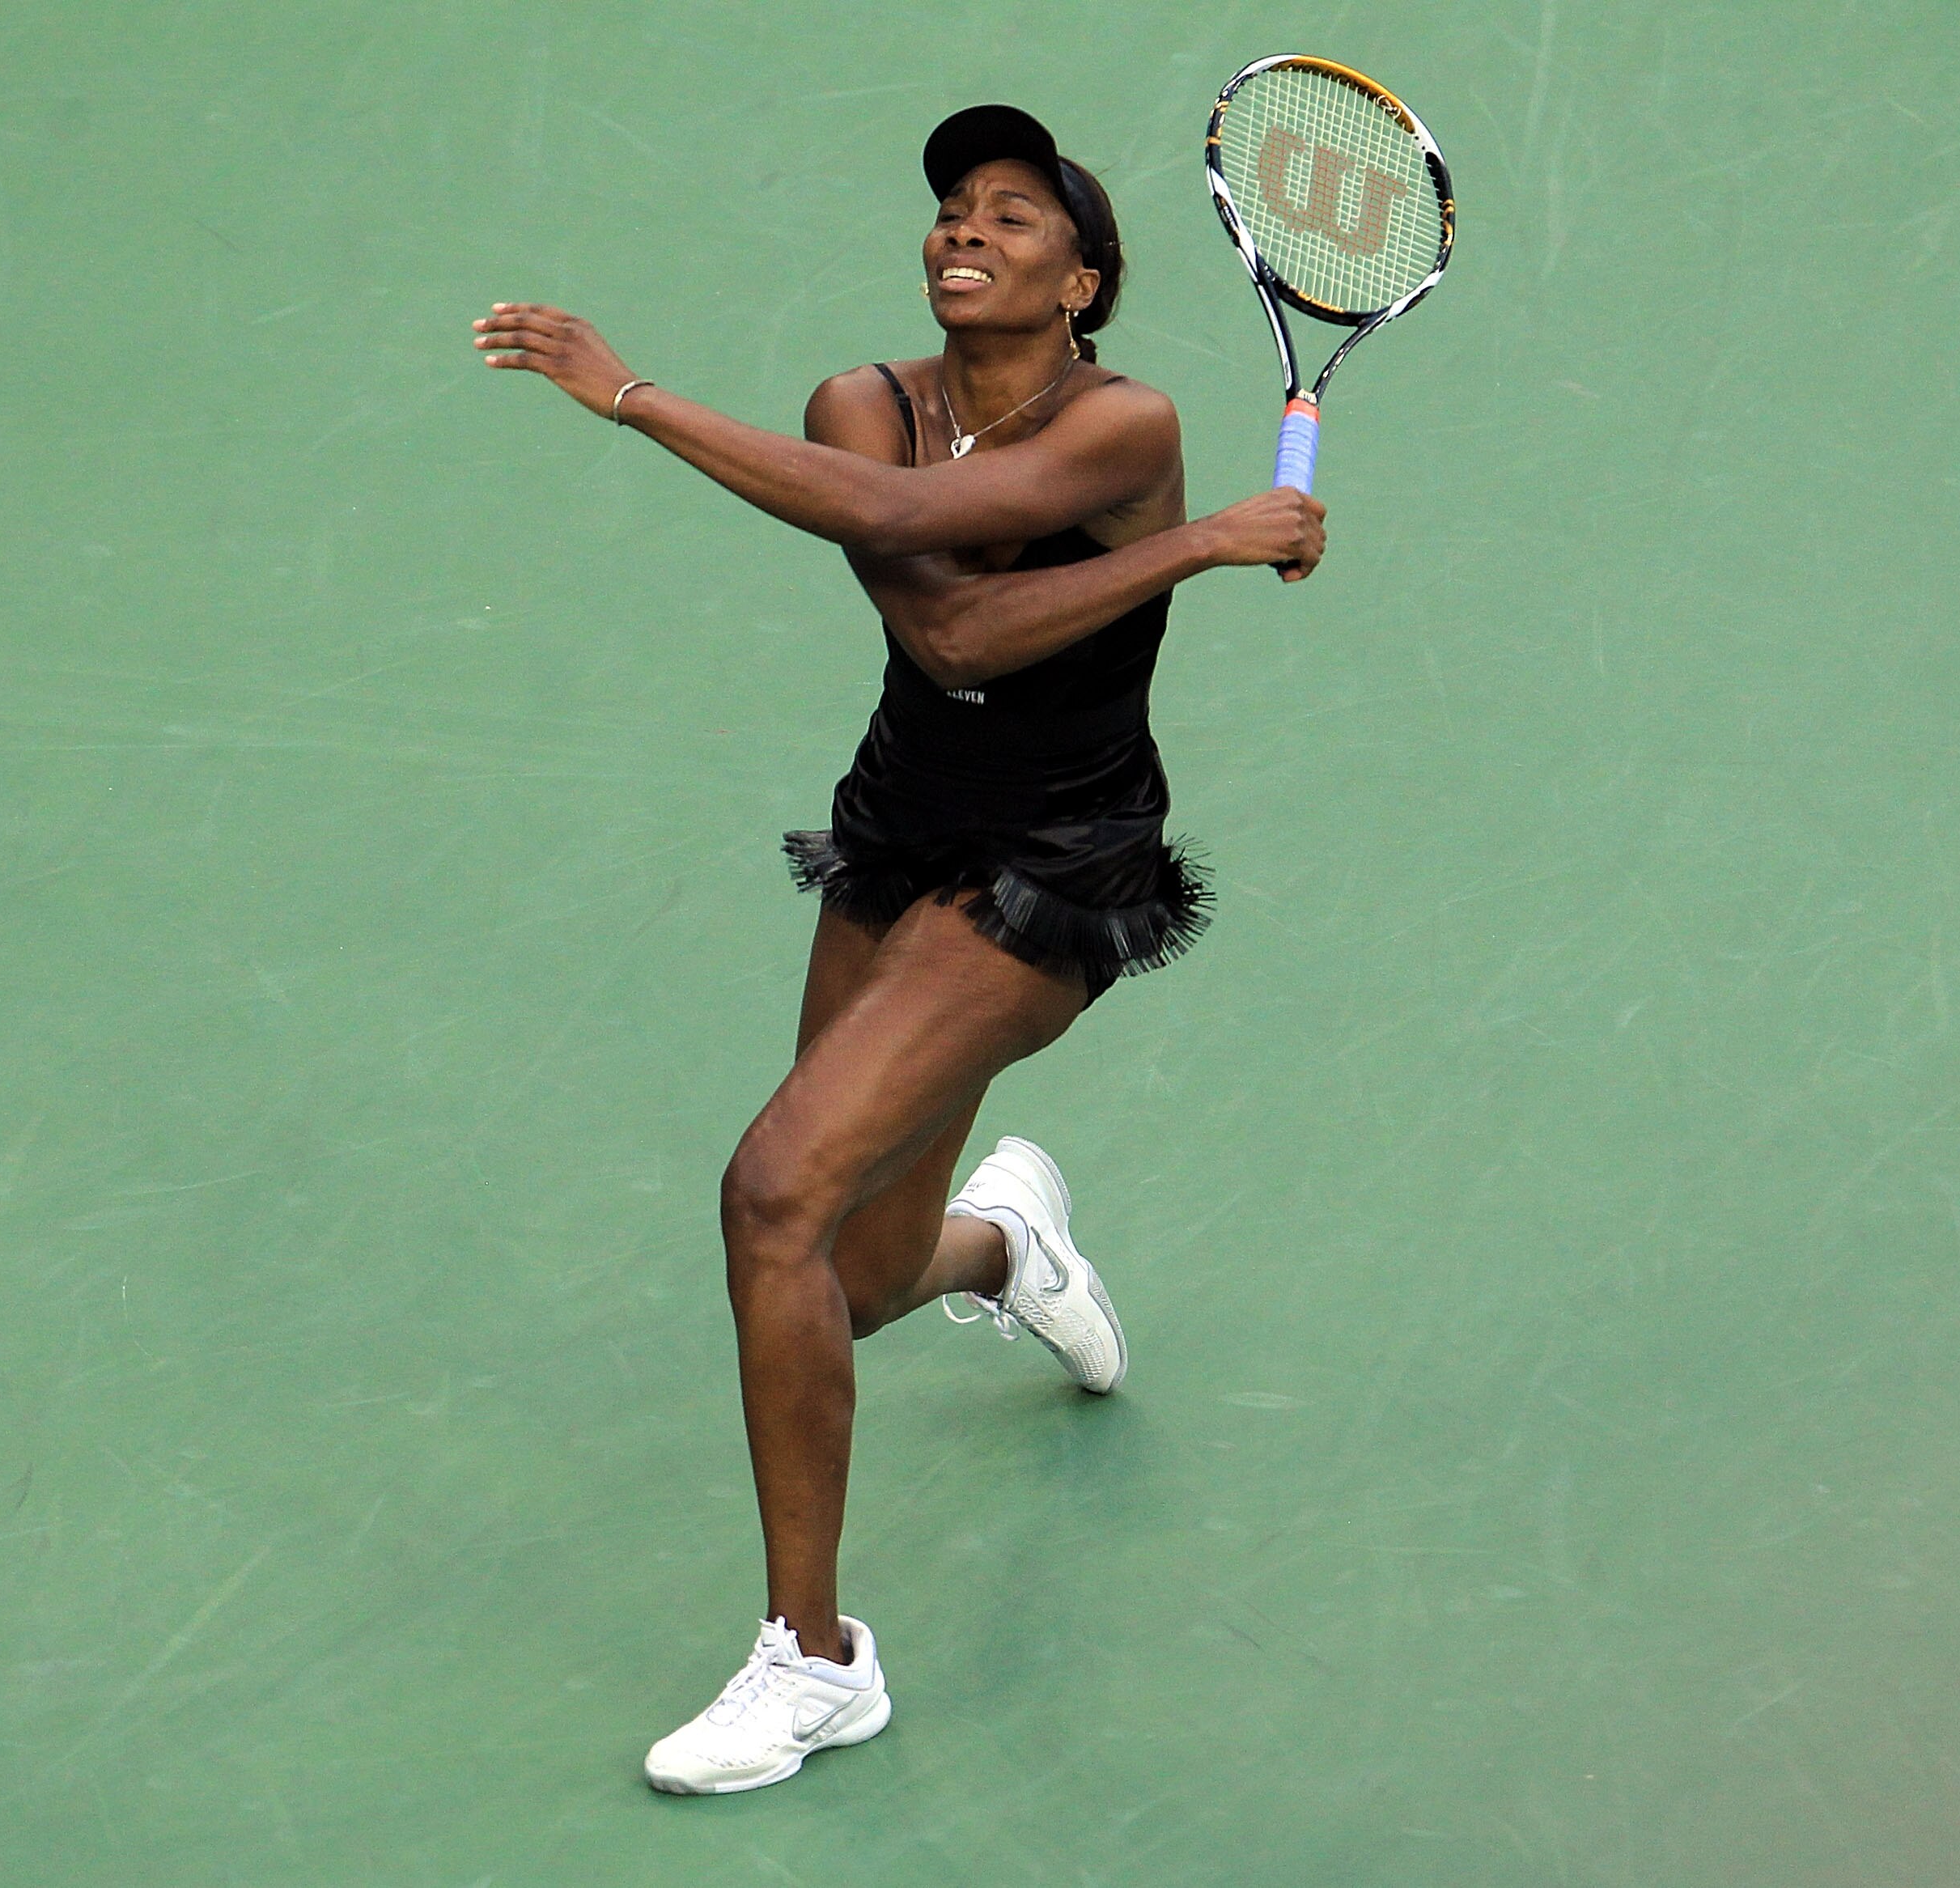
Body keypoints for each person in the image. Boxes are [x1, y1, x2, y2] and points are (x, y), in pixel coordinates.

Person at [474, 104, 1324, 1794]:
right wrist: (1201, 546)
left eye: (1015, 217)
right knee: (852, 1276)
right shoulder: (861, 407)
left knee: (770, 1194)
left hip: (1052, 869)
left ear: (1084, 282)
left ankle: (814, 1662)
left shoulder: (1125, 418)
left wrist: (1183, 526)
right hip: (895, 837)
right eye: (952, 207)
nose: (967, 228)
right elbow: (951, 629)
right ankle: (1003, 1246)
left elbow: (990, 588)